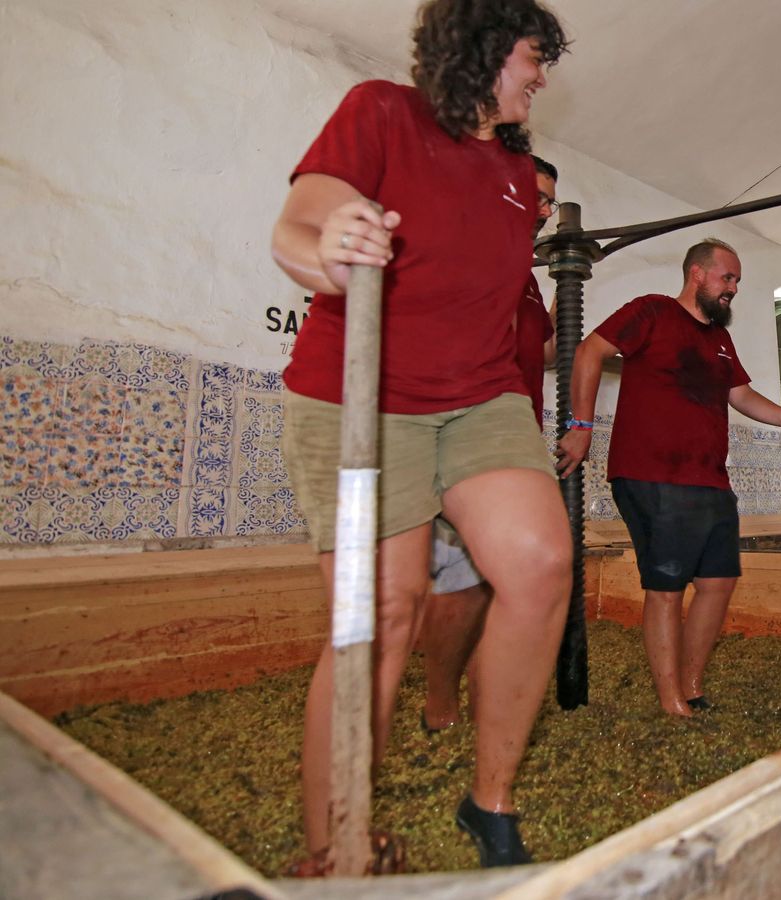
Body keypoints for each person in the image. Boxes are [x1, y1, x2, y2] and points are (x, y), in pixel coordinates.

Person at [268, 0, 572, 871]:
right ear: (483, 45)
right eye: (532, 55)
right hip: (361, 397)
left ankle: (490, 799)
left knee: (541, 562)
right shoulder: (381, 112)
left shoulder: (518, 177)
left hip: (479, 399)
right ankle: (334, 845)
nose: (542, 76)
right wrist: (332, 243)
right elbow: (299, 223)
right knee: (383, 610)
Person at [555, 238, 781, 717]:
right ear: (698, 273)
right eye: (728, 277)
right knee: (667, 586)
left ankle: (692, 685)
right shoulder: (651, 312)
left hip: (710, 480)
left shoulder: (719, 339)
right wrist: (581, 426)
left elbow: (740, 395)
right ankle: (671, 698)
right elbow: (590, 351)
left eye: (736, 280)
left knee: (718, 583)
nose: (733, 288)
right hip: (652, 474)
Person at [417, 156, 560, 735]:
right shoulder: (455, 242)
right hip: (450, 432)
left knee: (504, 574)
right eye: (538, 195)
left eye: (551, 201)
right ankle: (439, 700)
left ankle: (482, 686)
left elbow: (541, 354)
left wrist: (565, 303)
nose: (546, 211)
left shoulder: (524, 276)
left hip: (512, 438)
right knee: (464, 576)